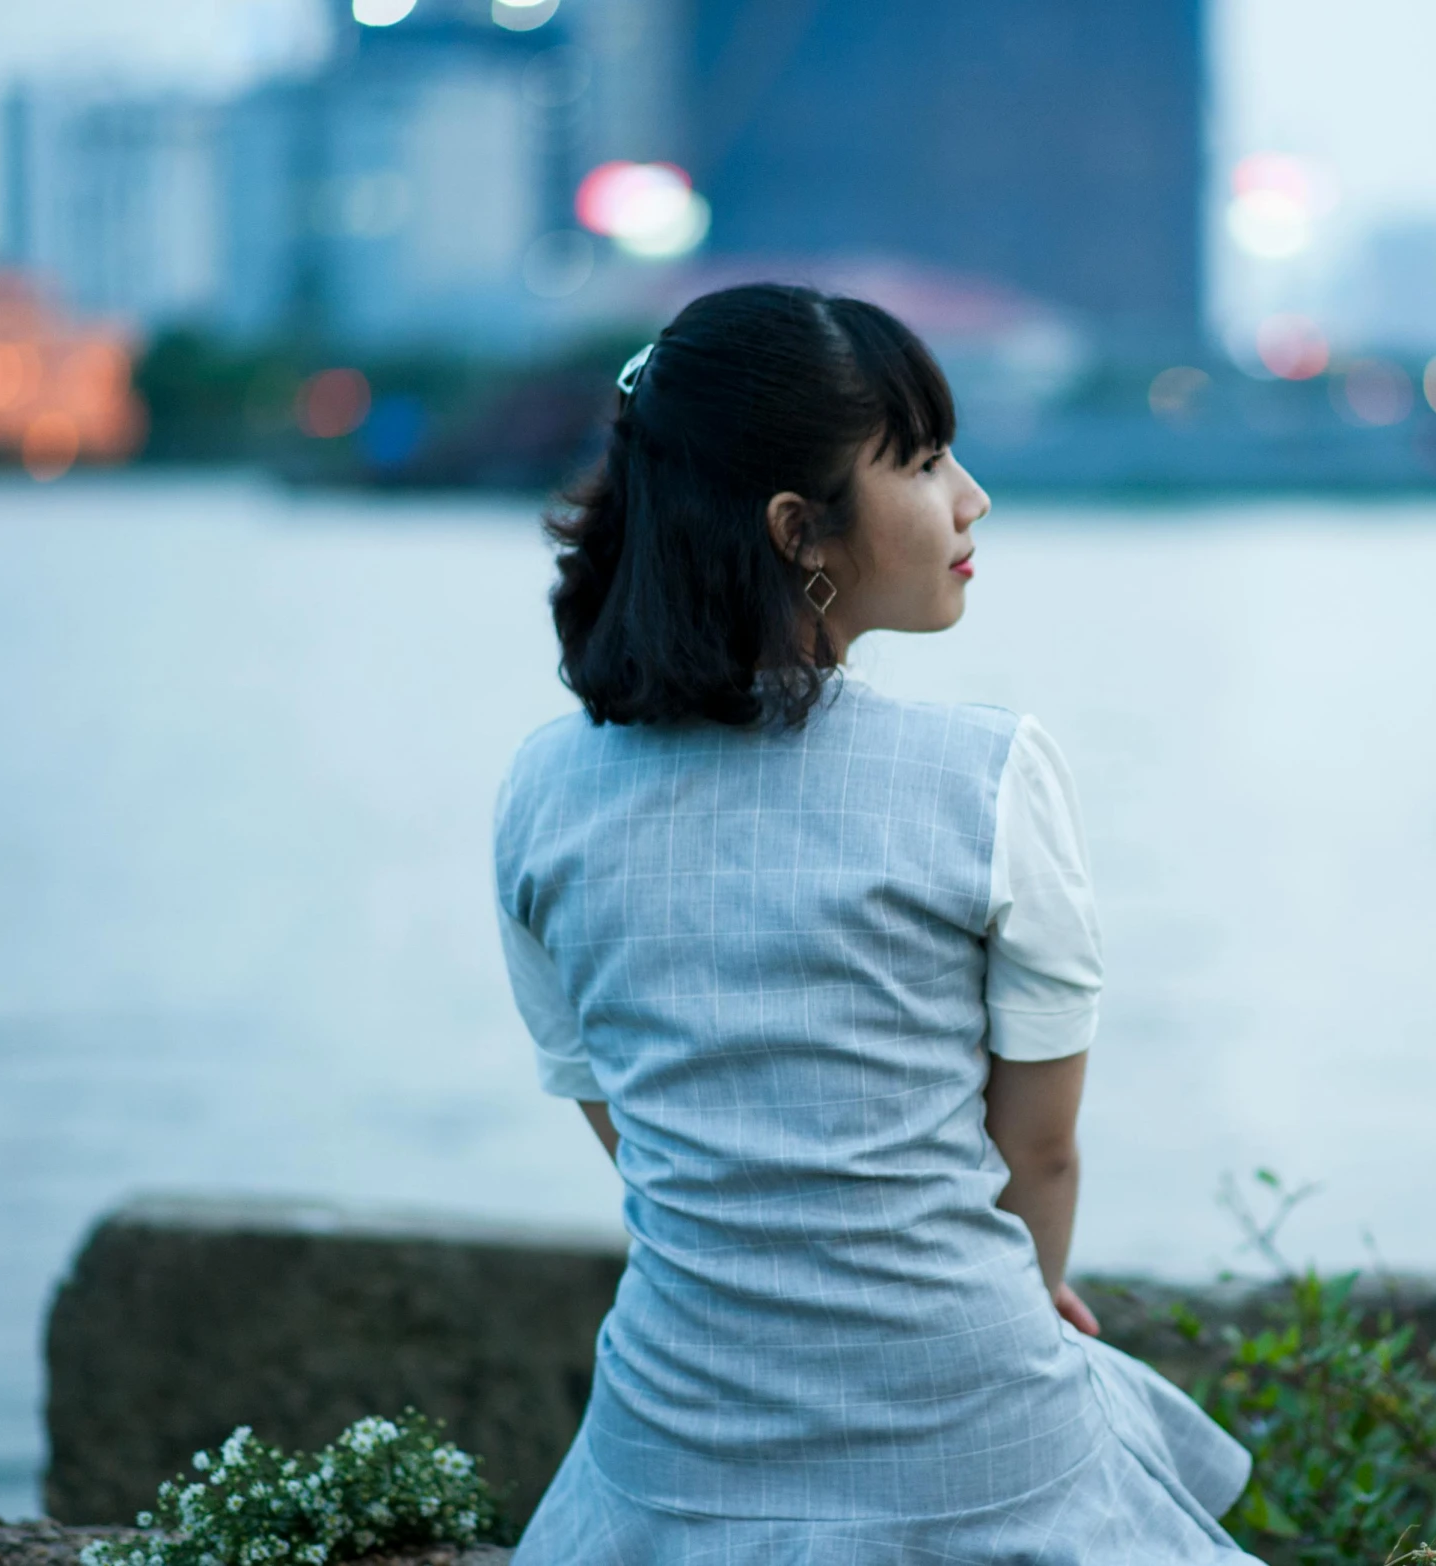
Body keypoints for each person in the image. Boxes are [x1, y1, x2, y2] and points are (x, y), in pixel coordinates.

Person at [492, 283, 1259, 1563]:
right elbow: (1042, 1156)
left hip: (678, 1453)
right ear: (801, 531)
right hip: (974, 1447)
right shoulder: (988, 778)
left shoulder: (542, 789)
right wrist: (1023, 1295)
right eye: (919, 461)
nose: (972, 498)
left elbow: (640, 1137)